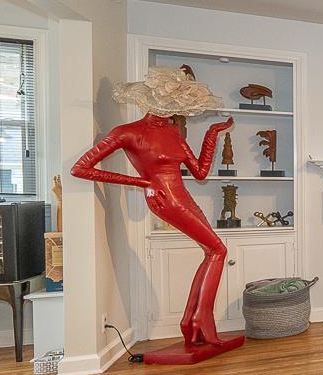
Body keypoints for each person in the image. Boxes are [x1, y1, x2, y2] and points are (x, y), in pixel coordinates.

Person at [71, 68, 235, 349]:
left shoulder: (173, 132)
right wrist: (142, 181)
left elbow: (200, 172)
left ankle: (193, 320)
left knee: (213, 251)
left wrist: (212, 133)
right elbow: (80, 168)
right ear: (148, 101)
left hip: (183, 196)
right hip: (165, 198)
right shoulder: (128, 132)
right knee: (218, 250)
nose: (169, 108)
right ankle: (200, 320)